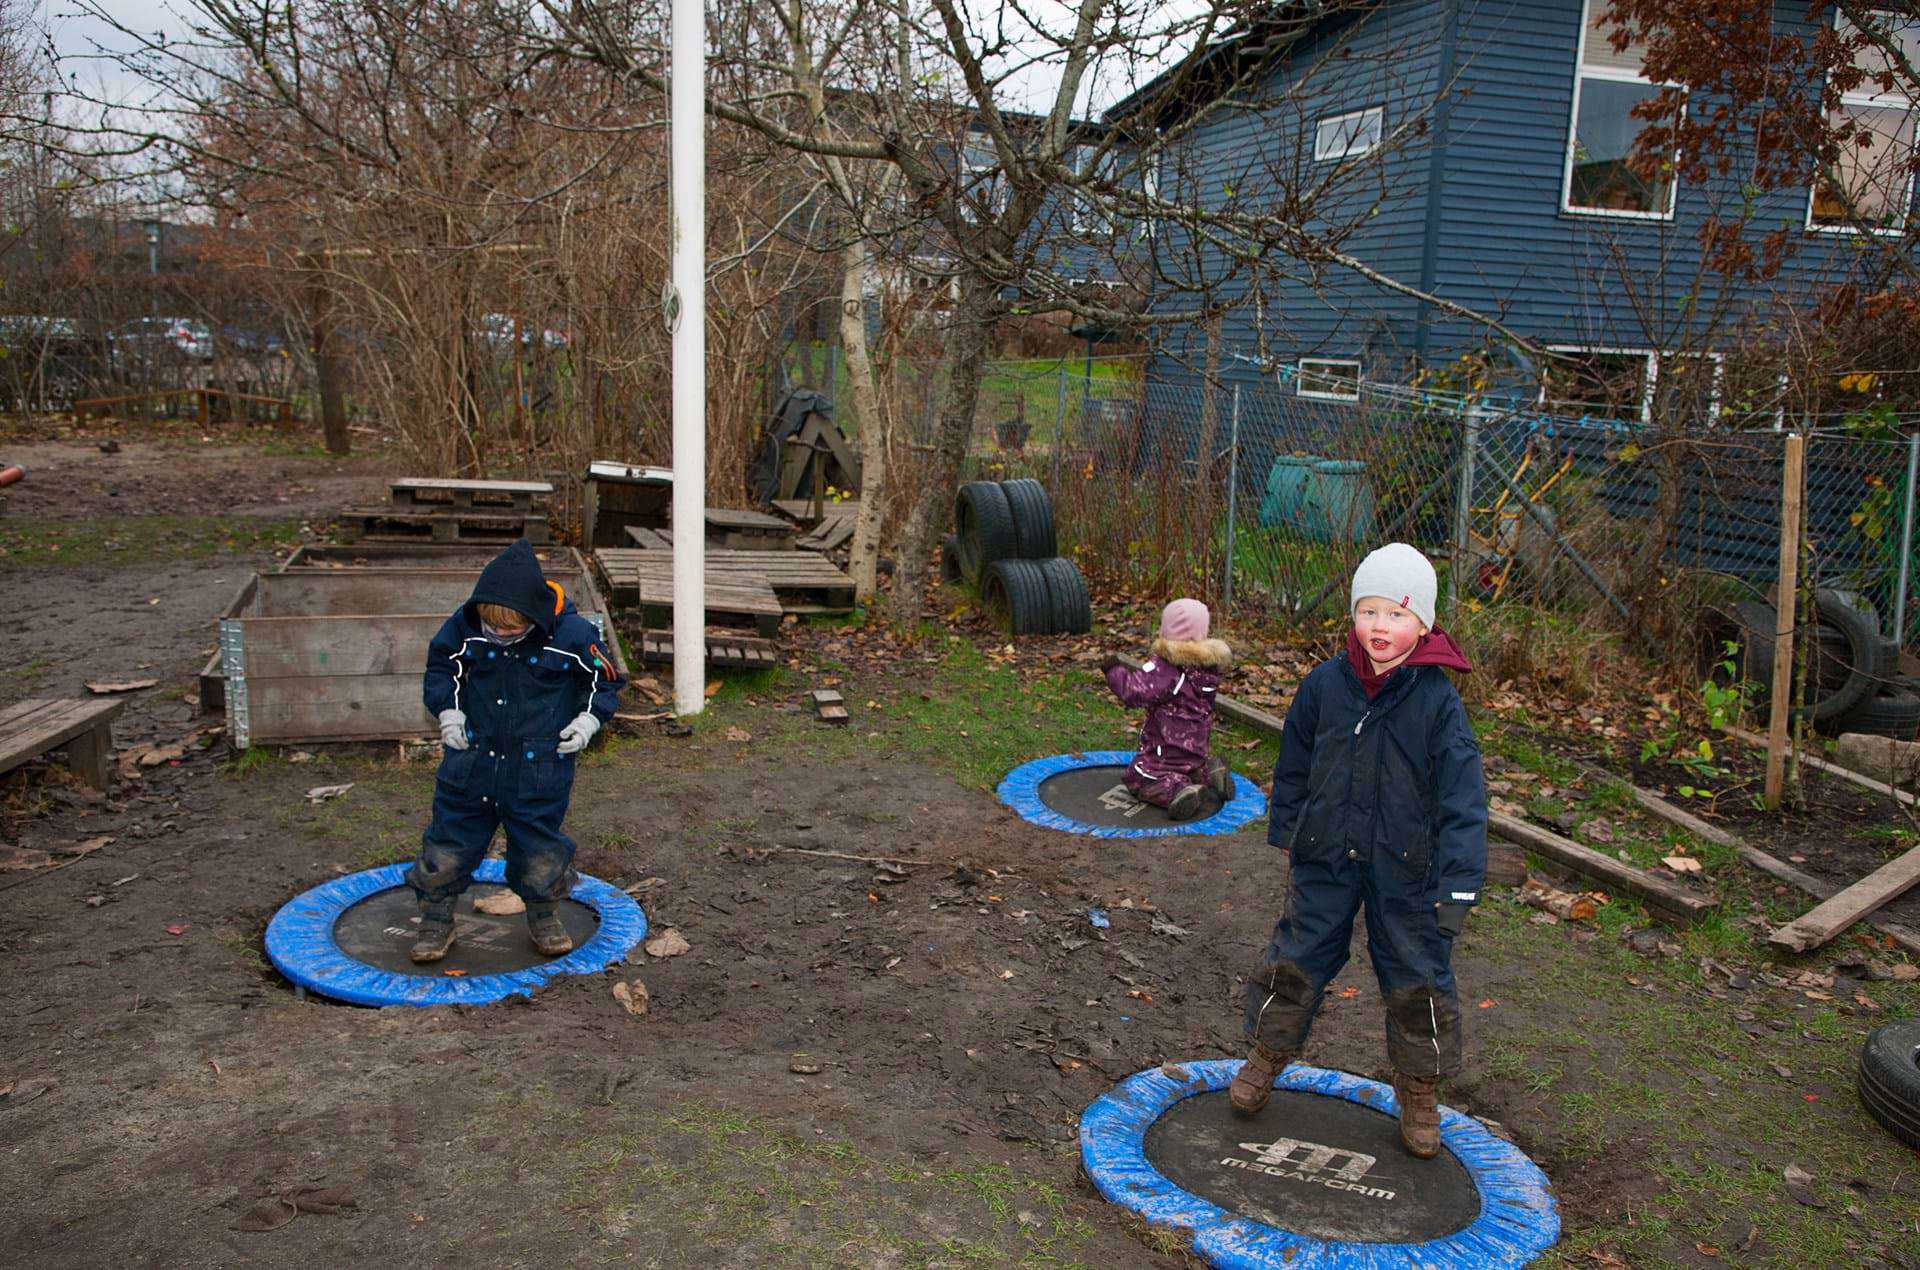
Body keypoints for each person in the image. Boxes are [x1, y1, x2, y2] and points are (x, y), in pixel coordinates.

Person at [1230, 543, 1486, 1160]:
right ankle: (1267, 1055)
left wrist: (1457, 887)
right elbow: (1294, 761)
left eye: (1396, 615)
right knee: (1296, 956)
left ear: (1422, 624)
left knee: (1417, 975)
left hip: (1409, 872)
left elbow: (1464, 802)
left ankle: (1419, 1089)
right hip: (1326, 857)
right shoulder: (1325, 685)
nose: (1380, 627)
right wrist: (1291, 827)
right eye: (1369, 611)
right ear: (1354, 615)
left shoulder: (1437, 704)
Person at [405, 538, 622, 963]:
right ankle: (436, 919)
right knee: (447, 846)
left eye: (511, 629)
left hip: (538, 770)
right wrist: (447, 712)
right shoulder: (464, 627)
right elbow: (441, 667)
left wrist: (589, 720)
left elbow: (606, 680)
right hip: (471, 764)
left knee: (539, 853)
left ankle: (542, 914)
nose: (500, 635)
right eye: (492, 627)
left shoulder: (573, 635)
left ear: (535, 617)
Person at [1102, 597, 1235, 822]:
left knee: (1139, 775)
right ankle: (1209, 775)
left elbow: (1133, 692)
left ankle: (1178, 791)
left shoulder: (1165, 669)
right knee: (1190, 767)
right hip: (1195, 751)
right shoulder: (1208, 669)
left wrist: (1113, 670)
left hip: (1164, 752)